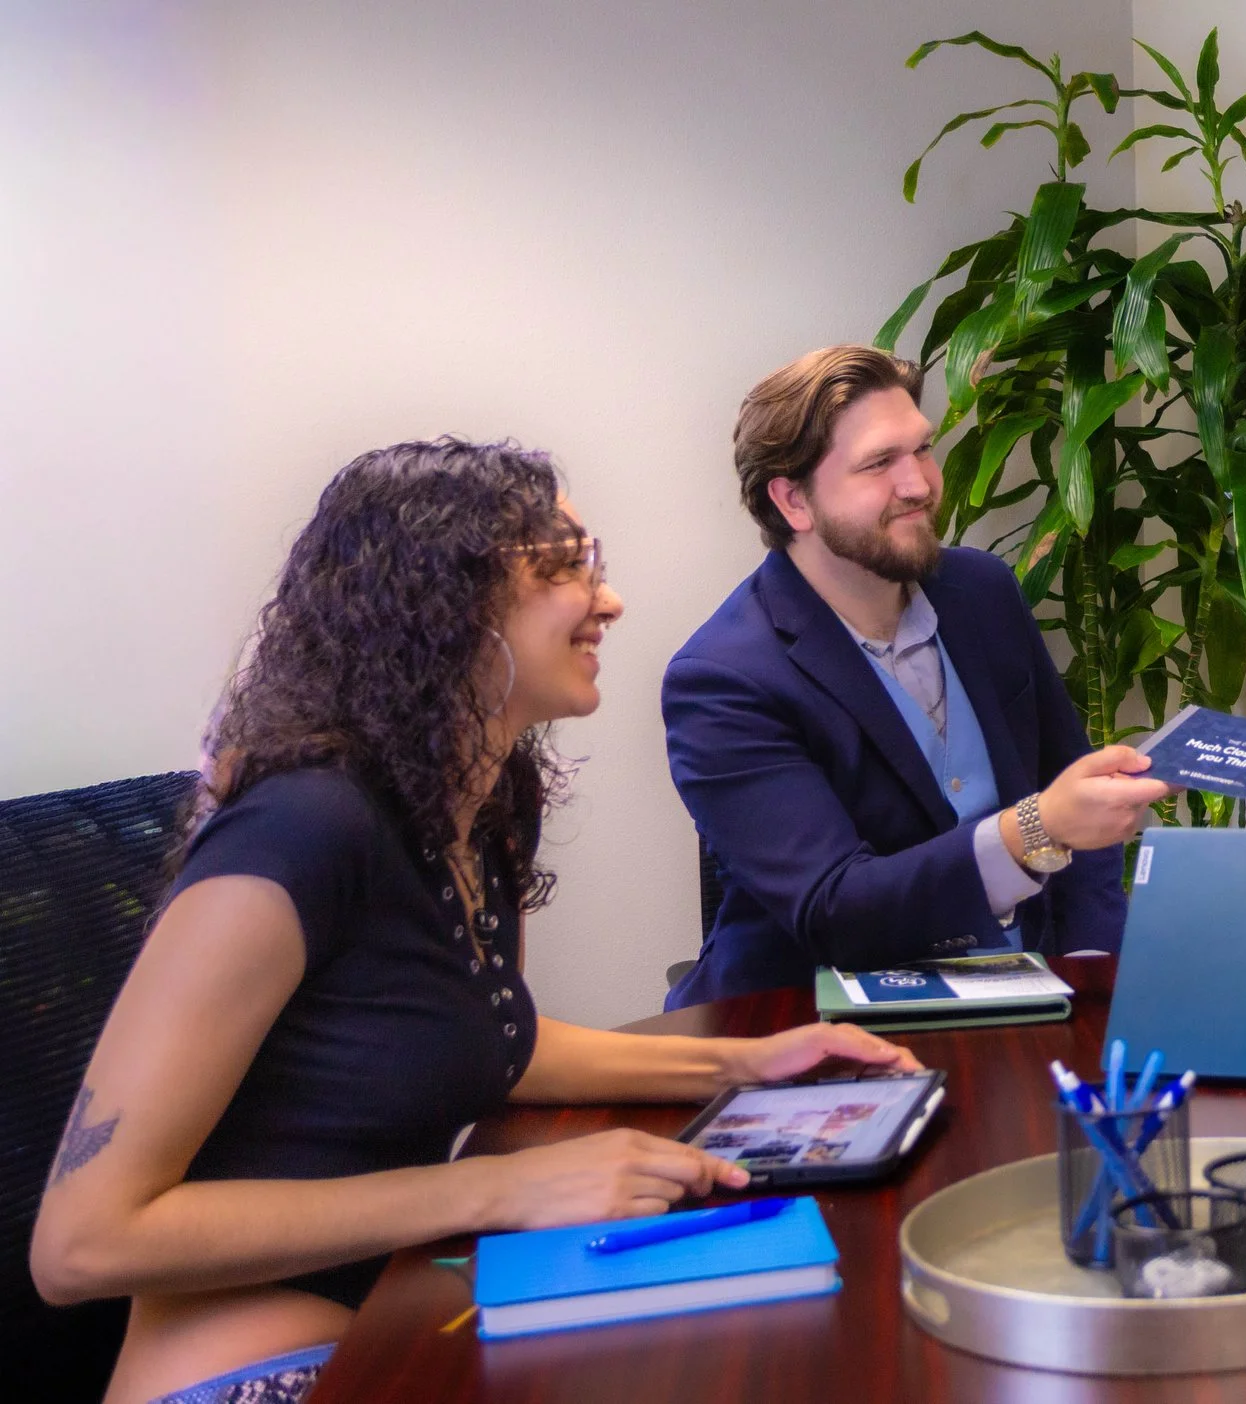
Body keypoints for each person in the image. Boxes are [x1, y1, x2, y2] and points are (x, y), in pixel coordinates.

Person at [30, 440, 918, 1404]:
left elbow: (481, 1038)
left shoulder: (479, 802)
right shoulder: (301, 828)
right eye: (569, 565)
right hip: (253, 1376)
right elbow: (80, 1244)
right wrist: (495, 1190)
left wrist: (745, 1062)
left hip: (414, 1316)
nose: (608, 600)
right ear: (446, 601)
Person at [661, 346, 1166, 1009]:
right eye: (878, 463)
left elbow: (1077, 793)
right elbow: (836, 909)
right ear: (793, 501)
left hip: (1034, 996)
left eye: (921, 450)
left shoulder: (983, 592)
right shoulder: (723, 680)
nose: (920, 485)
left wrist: (1099, 974)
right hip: (813, 1028)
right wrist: (1036, 829)